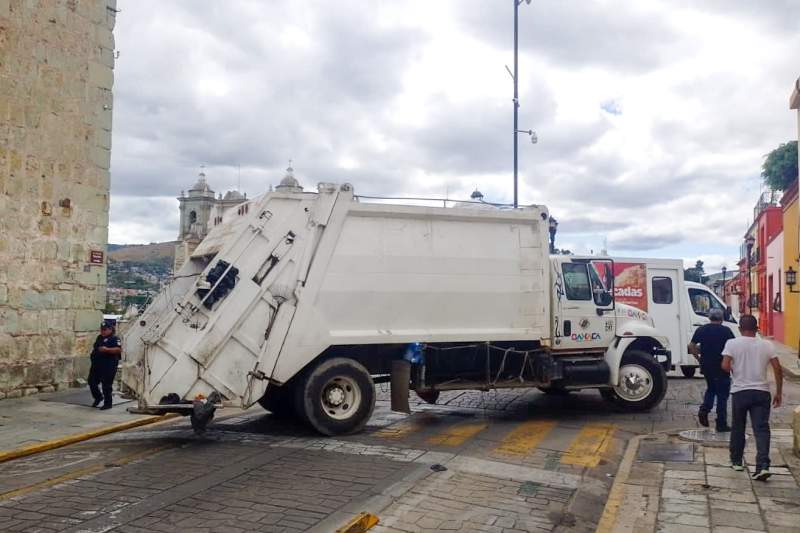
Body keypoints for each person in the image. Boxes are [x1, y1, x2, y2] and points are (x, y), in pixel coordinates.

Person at [721, 315, 783, 481]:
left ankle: (737, 462)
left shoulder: (732, 344)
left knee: (738, 427)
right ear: (757, 329)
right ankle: (763, 465)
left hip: (740, 392)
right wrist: (779, 392)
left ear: (740, 329)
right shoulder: (767, 345)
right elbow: (777, 368)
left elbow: (725, 366)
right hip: (761, 392)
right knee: (761, 429)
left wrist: (735, 371)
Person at [689, 308, 735, 431]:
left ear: (709, 318)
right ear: (722, 318)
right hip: (722, 366)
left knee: (711, 389)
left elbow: (691, 346)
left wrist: (699, 359)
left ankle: (704, 410)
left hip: (707, 365)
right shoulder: (726, 331)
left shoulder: (701, 330)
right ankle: (721, 423)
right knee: (722, 395)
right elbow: (733, 347)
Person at [88, 321, 122, 410]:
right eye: (101, 329)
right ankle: (98, 397)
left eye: (104, 330)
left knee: (106, 385)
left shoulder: (114, 338)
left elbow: (118, 350)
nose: (102, 331)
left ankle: (108, 403)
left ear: (110, 329)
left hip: (108, 365)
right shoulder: (99, 337)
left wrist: (107, 350)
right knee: (92, 382)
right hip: (97, 364)